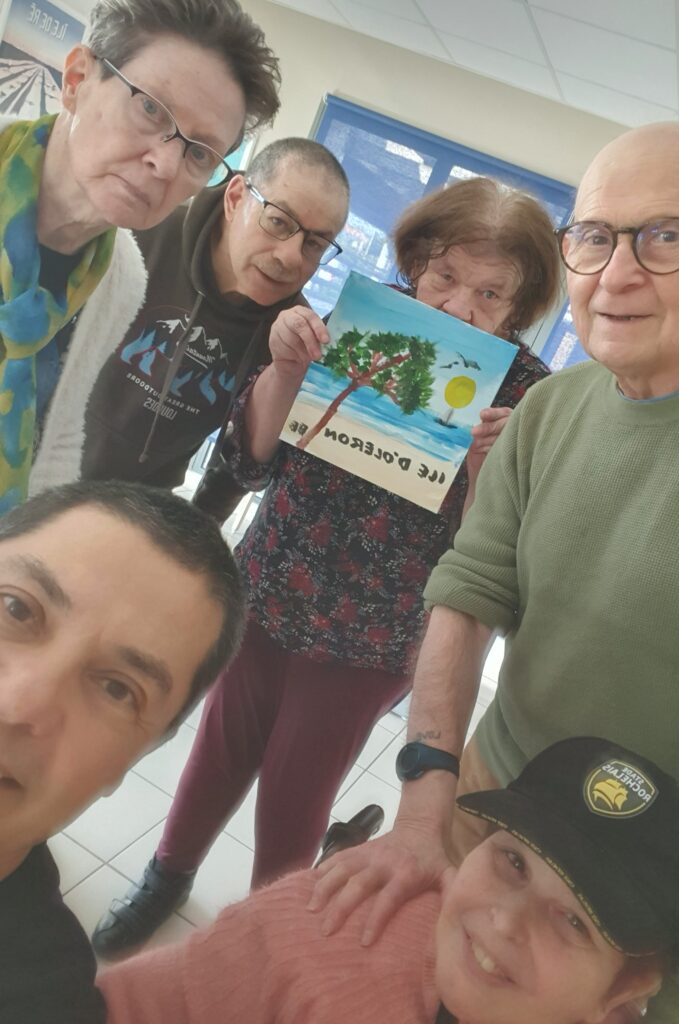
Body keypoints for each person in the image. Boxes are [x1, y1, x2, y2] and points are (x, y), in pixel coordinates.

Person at [309, 123, 679, 1024]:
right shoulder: (549, 409)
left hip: (661, 881)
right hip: (496, 796)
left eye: (666, 236)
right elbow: (467, 591)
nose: (616, 274)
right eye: (594, 236)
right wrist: (425, 805)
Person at [91, 177, 561, 958]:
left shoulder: (525, 394)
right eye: (444, 276)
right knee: (219, 748)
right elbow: (250, 461)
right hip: (269, 583)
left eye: (490, 294)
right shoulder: (359, 320)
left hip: (376, 632)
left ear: (520, 305)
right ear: (415, 262)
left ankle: (267, 935)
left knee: (296, 788)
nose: (457, 307)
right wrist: (283, 369)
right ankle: (166, 874)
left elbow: (488, 557)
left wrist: (487, 469)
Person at [97, 737, 679, 1024]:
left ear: (625, 990)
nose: (505, 920)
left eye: (576, 921)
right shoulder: (327, 927)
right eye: (513, 861)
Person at [0, 0, 280, 514]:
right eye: (151, 108)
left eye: (199, 152)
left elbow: (57, 437)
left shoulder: (121, 278)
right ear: (77, 79)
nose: (165, 163)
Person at [0, 479, 246, 1023]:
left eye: (117, 689)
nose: (16, 705)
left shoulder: (42, 997)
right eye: (16, 608)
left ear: (134, 759)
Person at [63, 138, 348, 517]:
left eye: (314, 244)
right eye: (278, 221)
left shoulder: (290, 340)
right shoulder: (141, 232)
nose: (290, 256)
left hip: (138, 516)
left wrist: (195, 533)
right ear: (235, 198)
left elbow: (237, 467)